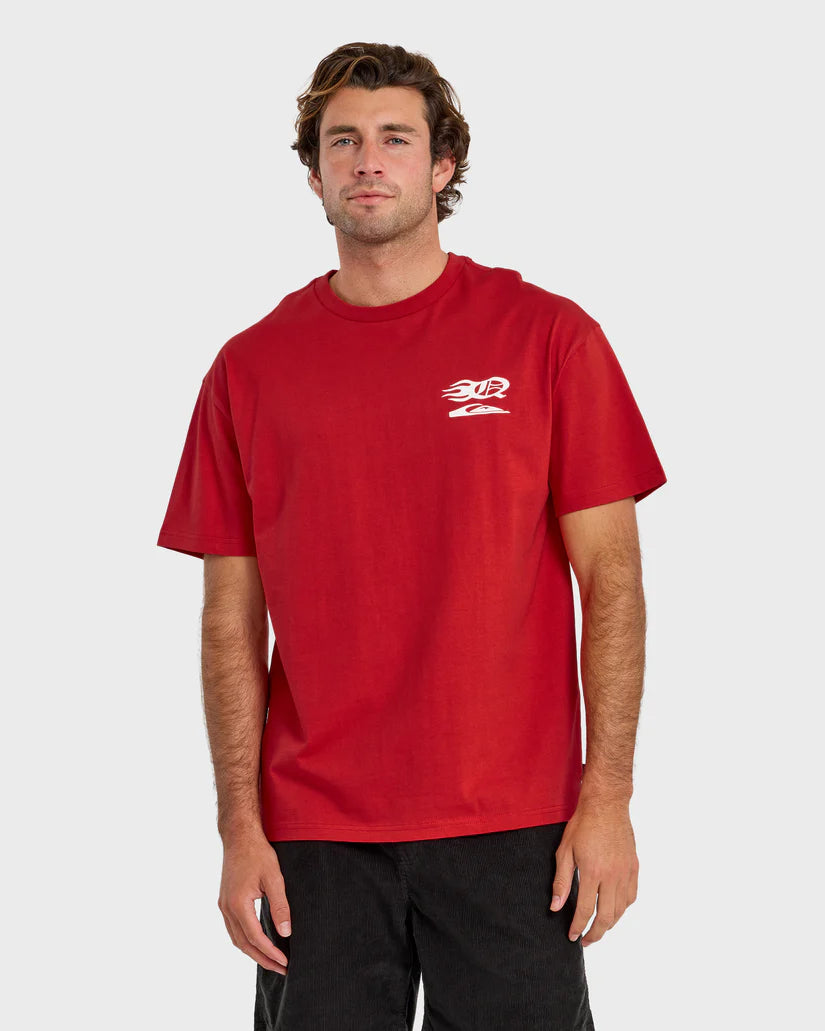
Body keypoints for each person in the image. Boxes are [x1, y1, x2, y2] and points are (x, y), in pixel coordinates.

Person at [156, 40, 667, 1031]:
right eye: (342, 141)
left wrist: (607, 798)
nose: (367, 160)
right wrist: (238, 827)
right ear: (313, 174)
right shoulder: (249, 370)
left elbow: (612, 580)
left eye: (395, 137)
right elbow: (230, 621)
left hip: (514, 822)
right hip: (314, 832)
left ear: (442, 166)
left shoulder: (548, 338)